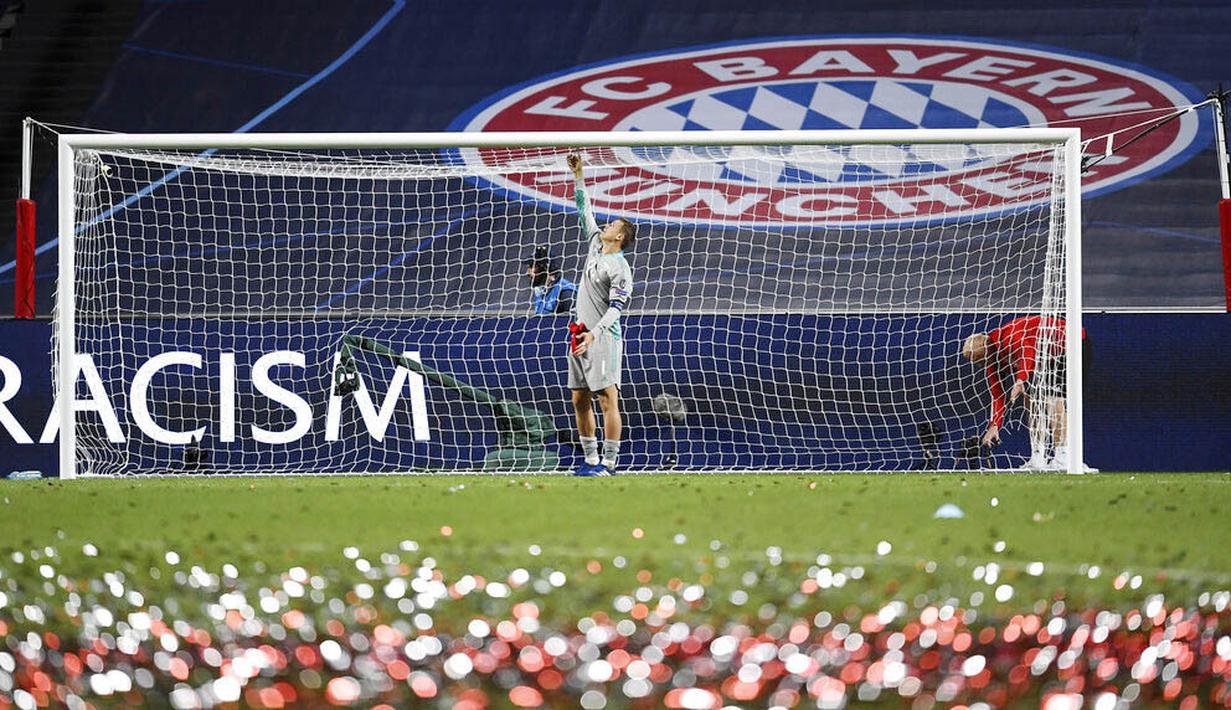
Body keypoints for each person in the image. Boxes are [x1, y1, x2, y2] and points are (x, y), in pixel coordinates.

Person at [566, 153, 636, 476]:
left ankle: (609, 464)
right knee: (579, 398)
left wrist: (594, 333)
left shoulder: (621, 268)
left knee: (608, 399)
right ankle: (590, 460)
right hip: (579, 335)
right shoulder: (595, 244)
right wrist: (579, 174)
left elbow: (616, 310)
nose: (607, 224)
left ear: (620, 237)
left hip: (603, 338)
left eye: (613, 224)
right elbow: (584, 210)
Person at [961, 315, 1094, 472]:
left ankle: (1063, 456)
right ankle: (1038, 457)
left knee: (1053, 400)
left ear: (986, 347)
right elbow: (997, 394)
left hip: (1070, 344)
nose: (981, 365)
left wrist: (1020, 380)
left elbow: (1027, 353)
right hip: (1044, 358)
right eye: (977, 362)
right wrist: (994, 425)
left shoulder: (1010, 336)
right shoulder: (991, 360)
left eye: (980, 359)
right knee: (1031, 400)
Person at [525, 248, 577, 315]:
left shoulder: (566, 293)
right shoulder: (540, 291)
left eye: (531, 267)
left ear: (545, 267)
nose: (527, 272)